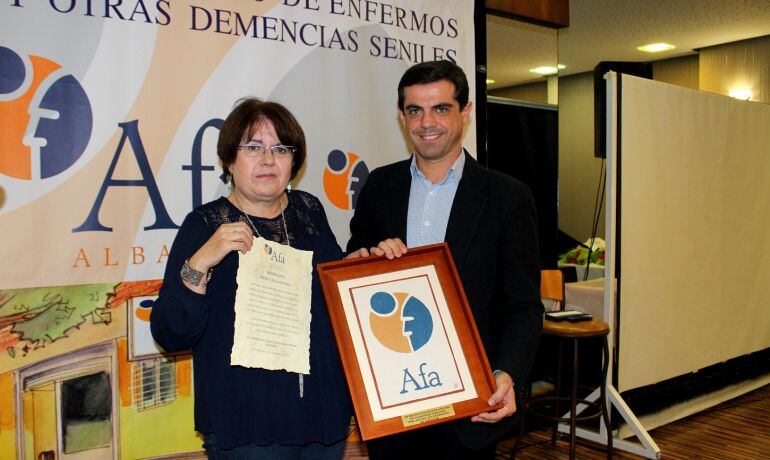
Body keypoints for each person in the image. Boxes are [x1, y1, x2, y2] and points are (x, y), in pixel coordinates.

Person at [347, 60, 543, 459]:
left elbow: (522, 305)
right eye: (415, 110)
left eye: (440, 108)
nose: (426, 123)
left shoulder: (508, 197)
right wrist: (365, 259)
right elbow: (354, 266)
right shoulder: (380, 186)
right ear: (401, 116)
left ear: (465, 112)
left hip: (469, 410)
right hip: (393, 400)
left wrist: (507, 372)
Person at [151, 98, 352, 459]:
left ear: (294, 161)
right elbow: (170, 331)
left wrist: (366, 265)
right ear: (230, 160)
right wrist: (202, 260)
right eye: (254, 147)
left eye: (281, 148)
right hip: (248, 422)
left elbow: (332, 296)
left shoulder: (309, 211)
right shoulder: (205, 225)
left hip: (321, 412)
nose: (268, 159)